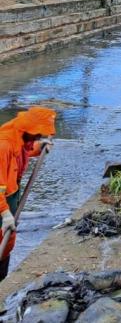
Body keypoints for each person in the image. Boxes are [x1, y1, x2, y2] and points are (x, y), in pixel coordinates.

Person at [0, 106, 56, 280]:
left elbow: (22, 150)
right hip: (2, 200)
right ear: (30, 129)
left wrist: (38, 147)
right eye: (38, 135)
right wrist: (5, 213)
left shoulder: (19, 135)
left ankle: (1, 282)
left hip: (10, 195)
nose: (39, 137)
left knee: (7, 241)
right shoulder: (3, 145)